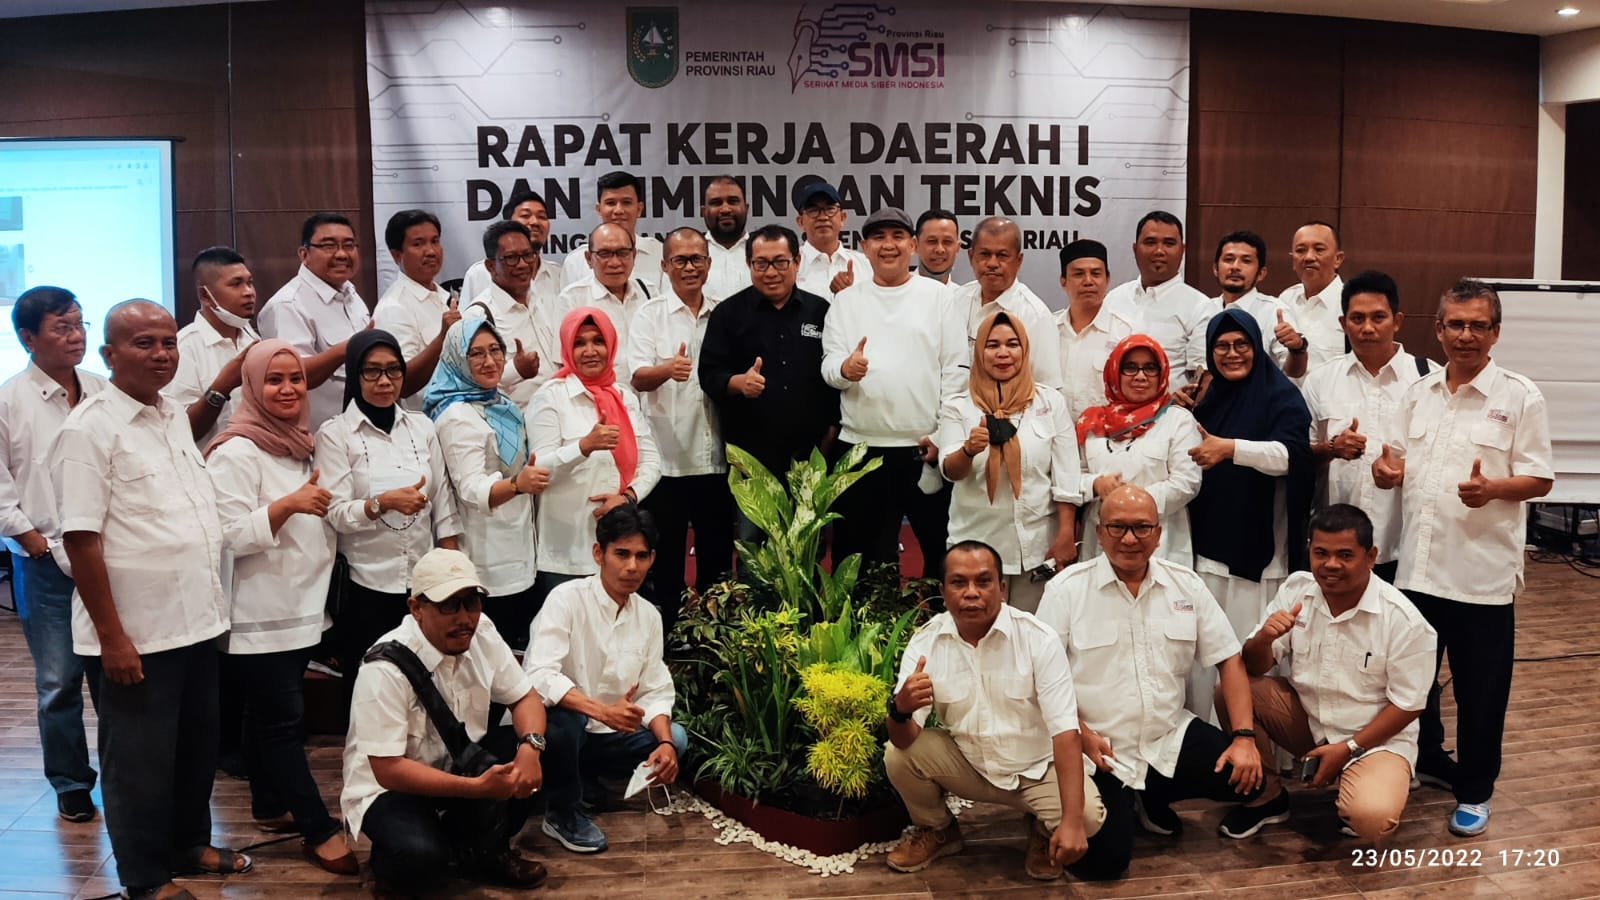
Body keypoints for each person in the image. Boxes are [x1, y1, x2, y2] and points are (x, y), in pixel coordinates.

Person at [53, 300, 251, 900]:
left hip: (197, 621)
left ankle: (188, 844)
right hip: (137, 634)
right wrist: (113, 637)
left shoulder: (171, 417)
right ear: (109, 354)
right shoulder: (87, 430)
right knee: (137, 764)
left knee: (195, 749)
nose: (162, 354)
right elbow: (81, 540)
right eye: (144, 343)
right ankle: (143, 879)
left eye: (169, 342)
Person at [1372, 278, 1553, 837]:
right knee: (1413, 682)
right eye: (1456, 324)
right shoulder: (1418, 393)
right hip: (1417, 569)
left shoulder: (1520, 396)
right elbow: (1394, 461)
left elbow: (1540, 478)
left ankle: (1475, 791)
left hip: (1481, 576)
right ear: (1439, 329)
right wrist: (1385, 472)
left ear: (1495, 333)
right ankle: (1427, 759)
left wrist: (1494, 489)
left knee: (1480, 693)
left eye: (1478, 325)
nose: (1466, 335)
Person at [1035, 485, 1263, 876]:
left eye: (1141, 528)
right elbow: (1040, 679)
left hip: (1165, 737)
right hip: (1098, 749)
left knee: (1245, 780)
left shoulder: (1185, 585)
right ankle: (1077, 807)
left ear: (1158, 534)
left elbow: (1229, 659)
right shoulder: (1066, 591)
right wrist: (1081, 733)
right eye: (1117, 527)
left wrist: (1244, 737)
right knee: (1104, 865)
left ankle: (1149, 796)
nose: (1129, 539)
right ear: (1099, 532)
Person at [204, 341, 355, 874]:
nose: (288, 389)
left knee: (262, 715)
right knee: (283, 726)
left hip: (300, 606)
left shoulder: (298, 444)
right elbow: (223, 534)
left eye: (296, 379)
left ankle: (269, 805)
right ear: (251, 386)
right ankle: (318, 829)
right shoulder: (236, 452)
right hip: (259, 614)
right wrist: (287, 506)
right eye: (274, 380)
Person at [883, 541, 1105, 881]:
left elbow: (1065, 733)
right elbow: (904, 739)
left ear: (1002, 588)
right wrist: (900, 709)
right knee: (897, 755)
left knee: (1087, 818)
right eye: (959, 582)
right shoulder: (926, 642)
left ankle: (1042, 831)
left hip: (1037, 769)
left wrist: (1072, 823)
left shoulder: (1038, 639)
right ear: (943, 591)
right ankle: (939, 830)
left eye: (983, 581)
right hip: (970, 764)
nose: (972, 593)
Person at [1216, 505, 1436, 843]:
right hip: (1310, 722)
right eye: (1321, 553)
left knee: (1370, 818)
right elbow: (1255, 666)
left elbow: (1409, 706)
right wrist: (1264, 639)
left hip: (1374, 742)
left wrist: (1348, 748)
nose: (1331, 565)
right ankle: (1268, 797)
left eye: (1345, 555)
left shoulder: (1403, 620)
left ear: (1371, 556)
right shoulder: (1297, 590)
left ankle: (1365, 787)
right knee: (1232, 688)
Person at [340, 548, 550, 896]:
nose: (465, 618)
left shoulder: (481, 631)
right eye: (449, 605)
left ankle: (487, 853)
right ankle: (396, 864)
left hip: (460, 765)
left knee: (539, 743)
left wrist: (531, 748)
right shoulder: (383, 668)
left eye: (472, 602)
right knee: (420, 858)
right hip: (393, 788)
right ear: (416, 608)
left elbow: (526, 698)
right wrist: (477, 789)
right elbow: (387, 769)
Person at [0, 286, 106, 822]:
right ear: (28, 337)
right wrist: (32, 541)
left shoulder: (101, 390)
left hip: (106, 554)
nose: (76, 336)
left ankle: (124, 771)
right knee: (59, 681)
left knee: (114, 672)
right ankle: (70, 782)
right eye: (62, 327)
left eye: (80, 324)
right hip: (45, 560)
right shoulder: (9, 400)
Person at [527, 505, 688, 853]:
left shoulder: (649, 615)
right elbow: (538, 676)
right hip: (564, 730)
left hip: (607, 736)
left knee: (676, 737)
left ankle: (583, 779)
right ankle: (561, 812)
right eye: (622, 554)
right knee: (563, 722)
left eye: (641, 556)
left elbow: (655, 689)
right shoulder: (566, 599)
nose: (632, 567)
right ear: (599, 553)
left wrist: (665, 744)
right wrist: (601, 711)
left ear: (652, 559)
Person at [823, 207, 965, 578]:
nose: (888, 245)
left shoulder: (939, 298)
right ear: (864, 247)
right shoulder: (846, 301)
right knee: (858, 562)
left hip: (924, 448)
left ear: (913, 245)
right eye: (878, 237)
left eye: (898, 236)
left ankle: (937, 617)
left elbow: (956, 372)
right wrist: (845, 370)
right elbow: (828, 366)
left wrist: (944, 435)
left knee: (940, 556)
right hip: (859, 449)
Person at [316, 330, 462, 686]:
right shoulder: (336, 434)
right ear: (355, 374)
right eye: (372, 371)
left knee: (426, 681)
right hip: (365, 584)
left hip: (422, 583)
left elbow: (443, 502)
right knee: (369, 684)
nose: (384, 381)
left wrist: (453, 569)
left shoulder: (421, 426)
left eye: (394, 370)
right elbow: (335, 514)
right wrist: (383, 504)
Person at [1187, 310, 1313, 719]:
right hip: (1207, 547)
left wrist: (1231, 449)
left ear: (1258, 347)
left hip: (1260, 554)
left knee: (1247, 652)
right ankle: (1209, 740)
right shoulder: (1208, 399)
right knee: (1205, 655)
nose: (1232, 353)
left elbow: (1292, 456)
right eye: (1221, 346)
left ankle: (1249, 739)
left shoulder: (1281, 396)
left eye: (1242, 344)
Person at [935, 312, 1080, 613]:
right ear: (979, 352)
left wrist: (1066, 534)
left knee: (1036, 632)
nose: (1003, 353)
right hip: (976, 547)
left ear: (1024, 350)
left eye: (1012, 344)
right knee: (980, 631)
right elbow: (950, 470)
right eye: (993, 345)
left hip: (1038, 547)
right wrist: (968, 451)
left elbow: (1066, 474)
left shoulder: (1049, 402)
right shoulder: (957, 406)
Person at [627, 228, 733, 630]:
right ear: (664, 265)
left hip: (716, 456)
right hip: (666, 461)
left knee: (717, 559)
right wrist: (667, 370)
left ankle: (715, 639)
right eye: (680, 260)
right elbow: (637, 377)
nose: (689, 267)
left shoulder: (724, 313)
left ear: (709, 263)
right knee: (666, 561)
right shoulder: (649, 315)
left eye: (697, 259)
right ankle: (669, 638)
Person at [1301, 270, 1435, 583]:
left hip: (1405, 544)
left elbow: (1443, 459)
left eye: (1378, 317)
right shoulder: (1320, 381)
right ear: (1342, 323)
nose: (1368, 328)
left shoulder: (1429, 379)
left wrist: (1405, 471)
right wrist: (1331, 449)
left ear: (1397, 321)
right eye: (1357, 319)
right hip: (1337, 549)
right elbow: (1300, 456)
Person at [426, 317, 549, 650]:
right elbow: (470, 490)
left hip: (519, 549)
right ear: (457, 360)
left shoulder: (497, 401)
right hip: (487, 559)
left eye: (495, 350)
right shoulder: (456, 416)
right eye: (476, 353)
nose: (490, 361)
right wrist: (517, 485)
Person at [527, 307, 661, 601]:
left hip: (620, 550)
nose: (590, 351)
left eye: (598, 341)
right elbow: (538, 472)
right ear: (566, 349)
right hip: (567, 551)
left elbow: (651, 461)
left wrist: (628, 497)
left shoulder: (623, 396)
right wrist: (583, 447)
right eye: (579, 343)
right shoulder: (551, 396)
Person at [697, 224, 839, 500]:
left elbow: (832, 377)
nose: (771, 272)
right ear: (749, 264)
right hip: (751, 459)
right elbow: (709, 375)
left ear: (797, 262)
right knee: (752, 528)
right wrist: (738, 383)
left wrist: (831, 433)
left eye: (780, 262)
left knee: (811, 528)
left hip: (813, 455)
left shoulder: (820, 310)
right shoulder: (727, 314)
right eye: (761, 264)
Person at [1075, 336, 1203, 568]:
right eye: (1130, 368)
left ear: (1162, 373)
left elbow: (1187, 482)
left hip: (1161, 544)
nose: (1141, 376)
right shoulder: (1092, 421)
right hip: (1100, 540)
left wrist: (1129, 505)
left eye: (1150, 368)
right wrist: (1095, 484)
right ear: (1115, 371)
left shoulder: (1178, 420)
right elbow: (1070, 476)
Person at [257, 213, 374, 430]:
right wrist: (348, 349)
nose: (342, 254)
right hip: (312, 436)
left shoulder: (351, 295)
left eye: (349, 245)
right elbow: (293, 376)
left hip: (358, 430)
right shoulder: (288, 304)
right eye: (329, 246)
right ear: (304, 254)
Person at [947, 217, 1062, 389]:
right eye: (985, 254)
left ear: (1019, 261)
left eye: (1002, 256)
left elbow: (1048, 389)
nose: (992, 263)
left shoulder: (1035, 316)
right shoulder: (955, 300)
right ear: (971, 257)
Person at [1103, 212, 1212, 388]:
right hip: (1109, 403)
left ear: (1182, 250)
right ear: (1135, 249)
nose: (1159, 251)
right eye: (1150, 242)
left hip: (1170, 405)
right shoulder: (1114, 298)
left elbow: (1202, 379)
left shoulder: (1200, 307)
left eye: (1169, 243)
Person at [166, 247, 259, 446]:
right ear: (205, 295)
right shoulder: (184, 348)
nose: (249, 292)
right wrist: (222, 387)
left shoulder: (254, 339)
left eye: (250, 283)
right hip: (209, 462)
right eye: (236, 284)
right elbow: (179, 430)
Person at [464, 220, 562, 405]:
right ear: (491, 267)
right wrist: (516, 370)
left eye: (528, 255)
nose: (523, 264)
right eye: (511, 258)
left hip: (560, 411)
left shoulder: (548, 301)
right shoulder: (478, 316)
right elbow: (470, 385)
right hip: (515, 417)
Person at [373, 209, 461, 409]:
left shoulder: (444, 296)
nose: (431, 251)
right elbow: (401, 384)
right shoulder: (393, 308)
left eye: (435, 241)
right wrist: (442, 339)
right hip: (424, 420)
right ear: (397, 255)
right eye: (418, 244)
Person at [555, 222, 653, 381]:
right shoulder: (573, 298)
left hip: (648, 393)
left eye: (623, 253)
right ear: (589, 259)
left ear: (634, 255)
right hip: (598, 394)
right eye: (605, 254)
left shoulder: (649, 292)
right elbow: (564, 363)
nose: (615, 263)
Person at [1054, 240, 1138, 420]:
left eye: (1096, 273)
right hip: (1053, 433)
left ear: (1107, 279)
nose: (1088, 281)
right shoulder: (1048, 329)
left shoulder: (1126, 333)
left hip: (1107, 433)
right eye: (1078, 274)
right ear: (1063, 281)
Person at [1210, 231, 1307, 377]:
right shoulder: (1204, 309)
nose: (1235, 267)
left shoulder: (1274, 311)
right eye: (1229, 259)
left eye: (1246, 261)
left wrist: (1297, 349)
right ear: (1215, 269)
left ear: (1261, 273)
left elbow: (1294, 373)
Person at [561, 170, 664, 295]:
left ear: (639, 209)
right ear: (599, 209)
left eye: (626, 202)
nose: (618, 210)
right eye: (611, 203)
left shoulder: (660, 253)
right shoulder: (575, 261)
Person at [461, 189, 559, 303]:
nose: (534, 222)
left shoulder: (558, 274)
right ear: (508, 222)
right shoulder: (478, 275)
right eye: (525, 215)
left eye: (542, 216)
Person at [1278, 221, 1348, 374]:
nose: (1309, 257)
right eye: (1300, 250)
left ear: (1338, 259)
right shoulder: (1285, 299)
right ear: (1293, 260)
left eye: (1319, 249)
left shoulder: (1351, 303)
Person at [793, 180, 867, 299]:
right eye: (813, 210)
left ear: (842, 218)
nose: (823, 217)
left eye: (830, 209)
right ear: (801, 222)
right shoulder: (790, 266)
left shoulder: (865, 265)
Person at [701, 175, 752, 299]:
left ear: (746, 208)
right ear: (703, 211)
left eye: (733, 201)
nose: (725, 209)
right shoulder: (691, 255)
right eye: (716, 203)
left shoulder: (764, 253)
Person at [914, 209, 961, 284]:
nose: (940, 250)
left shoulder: (962, 292)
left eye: (947, 242)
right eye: (932, 241)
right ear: (915, 245)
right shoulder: (896, 290)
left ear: (958, 247)